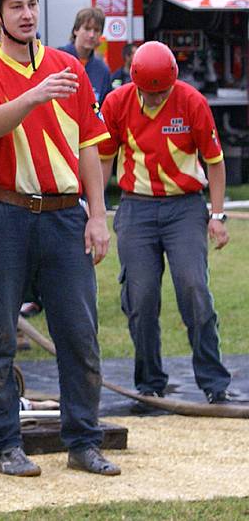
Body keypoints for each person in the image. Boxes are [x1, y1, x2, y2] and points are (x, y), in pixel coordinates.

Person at [0, 0, 119, 477]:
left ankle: (83, 442)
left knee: (79, 335)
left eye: (32, 4)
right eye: (16, 6)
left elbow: (91, 148)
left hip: (63, 217)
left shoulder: (69, 67)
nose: (28, 14)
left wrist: (97, 216)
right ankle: (5, 444)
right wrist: (33, 94)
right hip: (5, 213)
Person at [99, 41, 232, 406]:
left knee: (193, 288)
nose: (156, 100)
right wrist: (94, 210)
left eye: (162, 93)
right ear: (135, 84)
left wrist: (217, 215)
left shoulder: (191, 102)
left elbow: (215, 162)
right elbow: (104, 160)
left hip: (185, 208)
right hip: (136, 208)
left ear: (172, 82)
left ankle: (213, 380)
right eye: (149, 94)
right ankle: (150, 383)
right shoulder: (117, 104)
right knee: (140, 297)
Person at [59, 7, 111, 105]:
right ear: (75, 30)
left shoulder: (103, 70)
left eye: (96, 30)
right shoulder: (57, 59)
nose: (91, 35)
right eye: (87, 29)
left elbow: (102, 110)